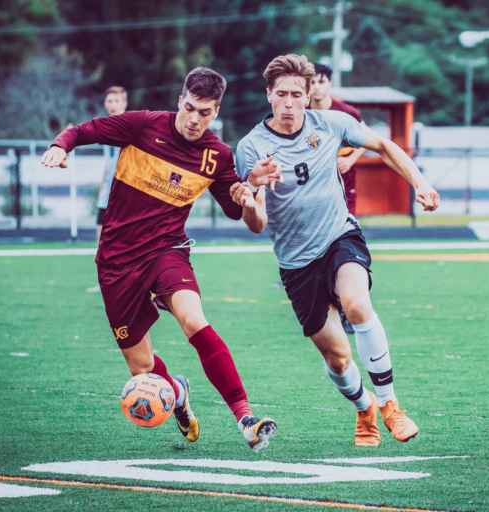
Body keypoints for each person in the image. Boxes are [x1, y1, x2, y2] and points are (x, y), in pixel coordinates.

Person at [41, 67, 278, 451]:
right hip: (117, 262)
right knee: (142, 368)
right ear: (178, 101)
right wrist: (59, 146)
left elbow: (243, 217)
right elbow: (84, 131)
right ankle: (178, 395)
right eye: (189, 108)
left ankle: (245, 418)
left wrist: (248, 197)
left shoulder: (217, 156)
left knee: (193, 319)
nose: (194, 119)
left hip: (166, 251)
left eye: (204, 112)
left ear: (215, 111)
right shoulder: (141, 126)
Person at [232, 54, 439, 447]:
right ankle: (364, 409)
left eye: (297, 94)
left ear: (309, 95)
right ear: (268, 96)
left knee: (357, 304)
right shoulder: (251, 147)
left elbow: (382, 145)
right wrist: (250, 194)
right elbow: (257, 224)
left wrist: (420, 184)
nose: (289, 102)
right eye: (281, 94)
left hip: (339, 237)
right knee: (338, 358)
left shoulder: (331, 124)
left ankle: (391, 405)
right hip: (295, 263)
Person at [309, 62, 367, 334]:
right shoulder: (302, 113)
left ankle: (346, 304)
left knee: (341, 240)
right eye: (312, 81)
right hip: (313, 191)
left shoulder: (347, 113)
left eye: (321, 81)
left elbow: (368, 141)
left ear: (329, 84)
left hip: (343, 188)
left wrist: (351, 159)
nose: (316, 86)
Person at [86, 86, 128, 294]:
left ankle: (134, 283)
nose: (112, 105)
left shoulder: (131, 128)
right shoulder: (104, 127)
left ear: (124, 104)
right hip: (105, 198)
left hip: (125, 199)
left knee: (128, 244)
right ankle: (103, 284)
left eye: (116, 101)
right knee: (101, 243)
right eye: (109, 101)